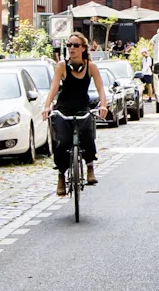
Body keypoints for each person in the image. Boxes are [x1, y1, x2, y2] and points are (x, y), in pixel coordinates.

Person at [41, 31, 110, 196]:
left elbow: (100, 88)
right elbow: (54, 87)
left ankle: (90, 166)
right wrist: (47, 106)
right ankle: (61, 175)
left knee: (87, 133)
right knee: (62, 141)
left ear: (83, 48)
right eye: (69, 45)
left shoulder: (91, 67)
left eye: (76, 45)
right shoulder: (62, 66)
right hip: (63, 108)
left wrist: (104, 105)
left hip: (82, 107)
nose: (72, 48)